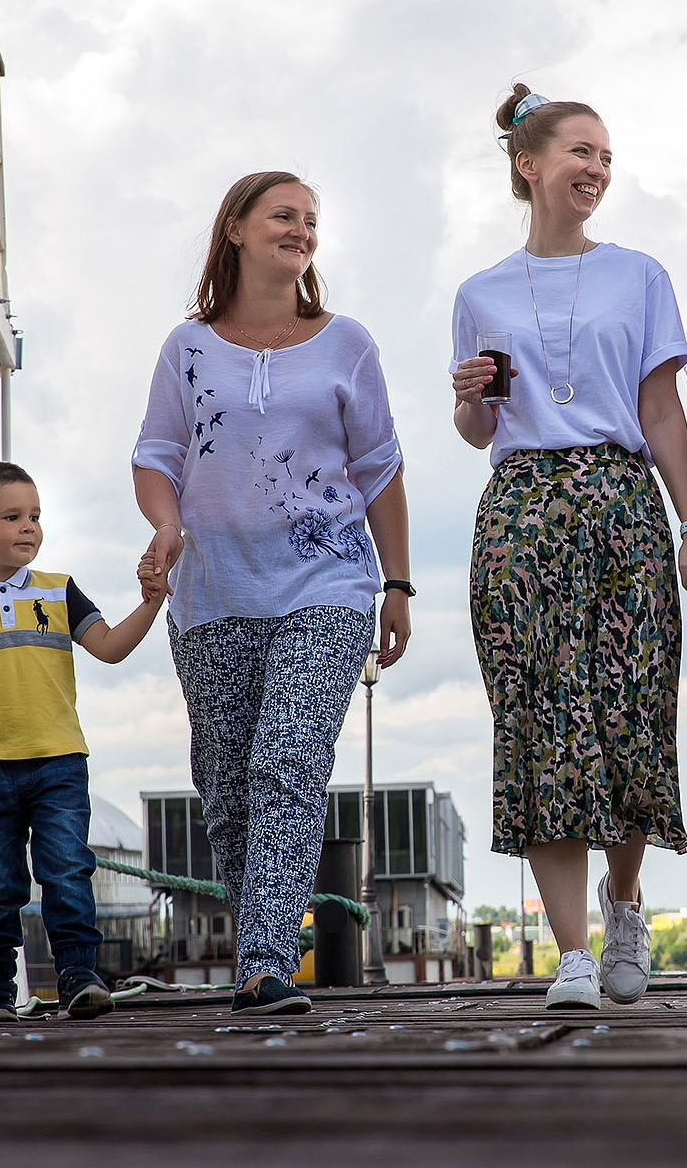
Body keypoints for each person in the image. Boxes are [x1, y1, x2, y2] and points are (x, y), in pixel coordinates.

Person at [451, 85, 687, 1010]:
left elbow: (660, 410)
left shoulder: (639, 274)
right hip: (522, 507)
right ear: (529, 164)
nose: (598, 169)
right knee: (537, 716)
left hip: (621, 497)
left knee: (628, 708)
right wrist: (472, 395)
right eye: (581, 152)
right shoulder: (478, 292)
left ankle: (626, 903)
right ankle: (570, 953)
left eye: (607, 155)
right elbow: (477, 430)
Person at [133, 170, 412, 1016]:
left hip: (327, 583)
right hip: (212, 591)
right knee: (226, 789)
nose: (301, 230)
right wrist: (166, 527)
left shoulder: (346, 343)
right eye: (283, 216)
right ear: (237, 231)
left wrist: (397, 582)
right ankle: (258, 942)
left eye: (311, 220)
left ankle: (264, 963)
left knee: (287, 760)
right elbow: (155, 455)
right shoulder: (187, 348)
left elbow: (382, 470)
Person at [0, 460, 165, 1025]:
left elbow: (112, 646)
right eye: (12, 516)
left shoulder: (60, 591)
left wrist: (150, 602)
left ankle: (79, 976)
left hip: (59, 763)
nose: (29, 527)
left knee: (67, 869)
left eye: (35, 516)